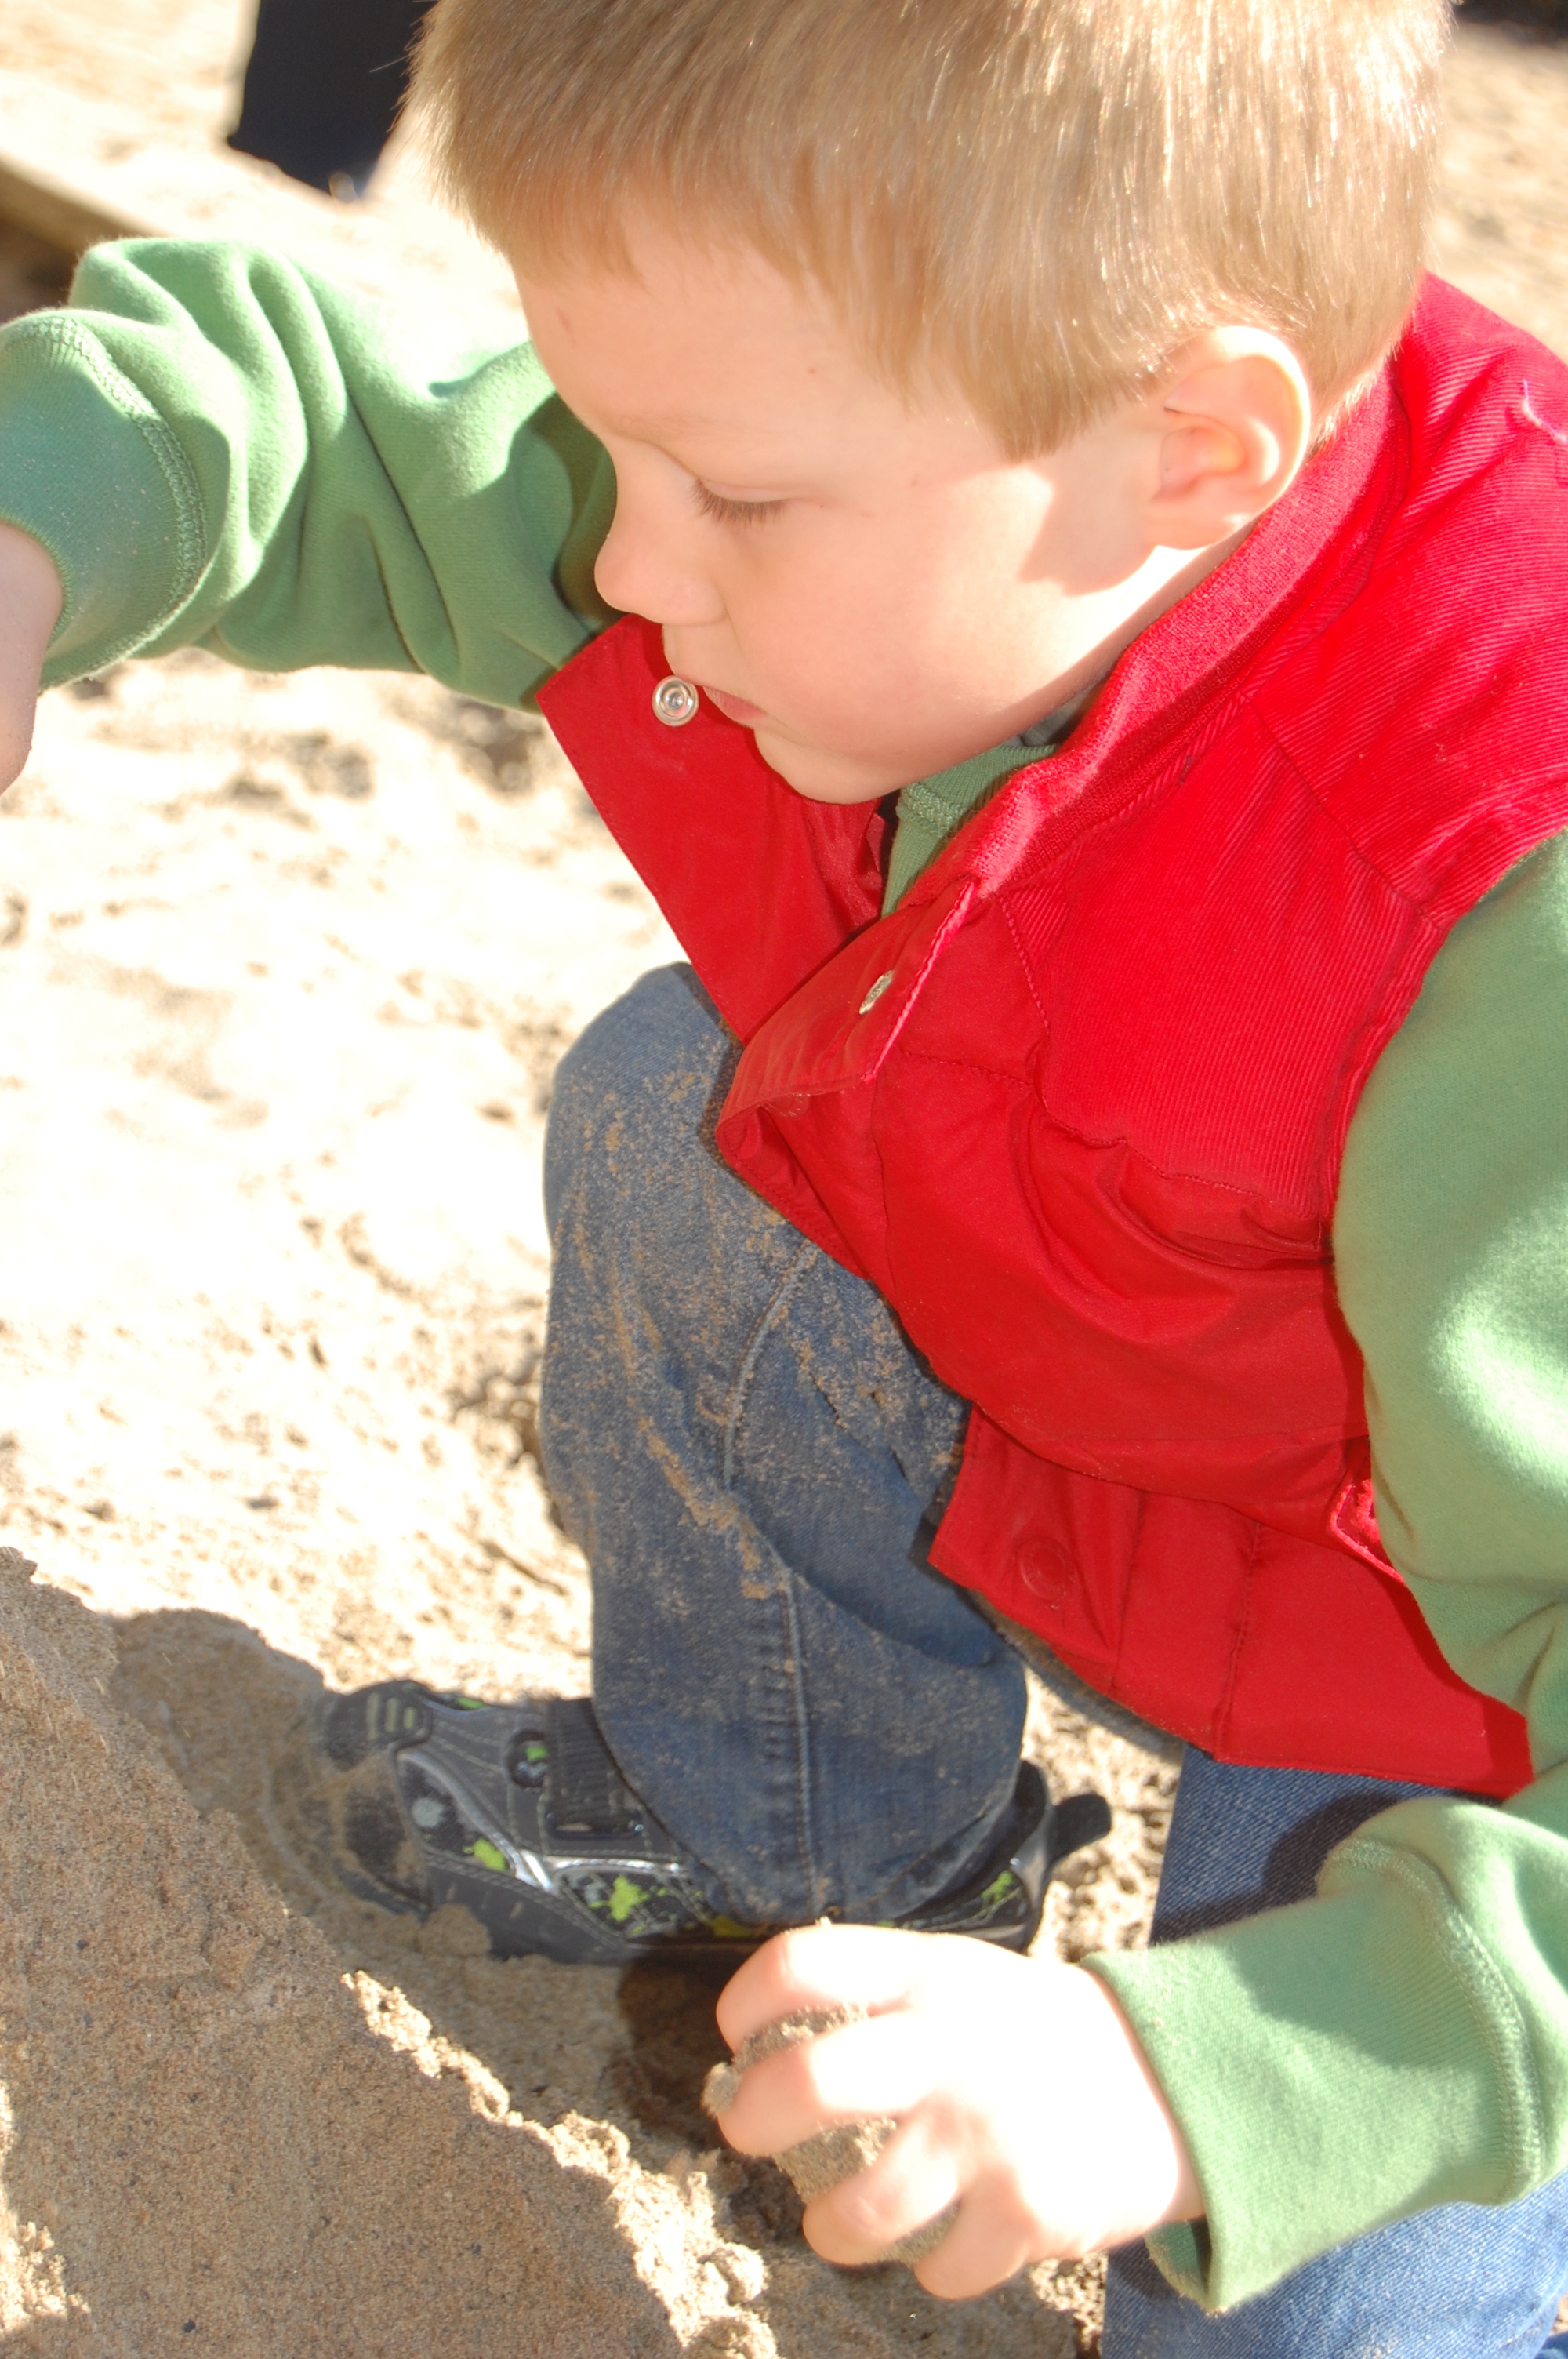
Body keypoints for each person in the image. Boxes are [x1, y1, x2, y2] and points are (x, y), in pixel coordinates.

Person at [1, 0, 1567, 2347]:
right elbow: (340, 431)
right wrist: (38, 522)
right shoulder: (927, 418)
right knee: (693, 1111)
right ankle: (809, 1833)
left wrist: (1208, 2074)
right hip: (1145, 1377)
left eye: (726, 493)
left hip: (1454, 1683)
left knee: (1311, 2303)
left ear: (1191, 448)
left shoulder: (1506, 905)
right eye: (610, 435)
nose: (629, 562)